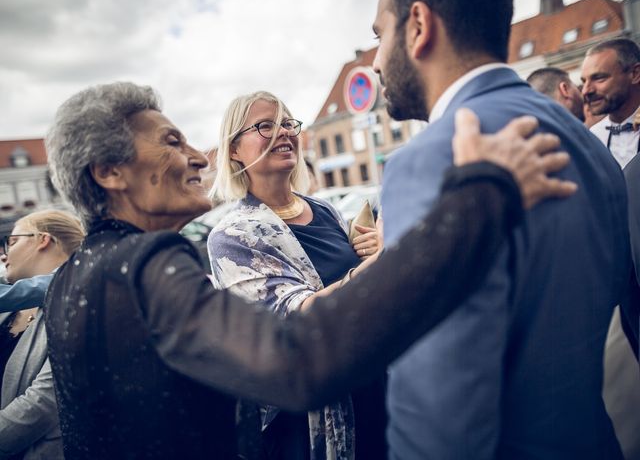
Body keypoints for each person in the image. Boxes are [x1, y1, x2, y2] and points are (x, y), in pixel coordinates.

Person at [43, 81, 574, 459]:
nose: (198, 157)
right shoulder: (148, 265)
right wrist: (480, 197)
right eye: (172, 142)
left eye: (288, 124)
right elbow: (295, 357)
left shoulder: (72, 278)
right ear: (110, 172)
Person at [371, 0, 629, 459]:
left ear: (419, 27)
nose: (375, 61)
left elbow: (437, 421)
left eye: (379, 35)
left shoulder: (430, 160)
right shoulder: (591, 145)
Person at [208, 91, 384, 460]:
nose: (283, 132)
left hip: (375, 392)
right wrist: (383, 264)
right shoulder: (232, 236)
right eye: (264, 126)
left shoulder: (323, 210)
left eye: (288, 123)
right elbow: (297, 319)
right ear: (234, 150)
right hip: (310, 423)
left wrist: (374, 246)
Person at [0, 210, 84, 459]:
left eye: (12, 242)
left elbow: (45, 402)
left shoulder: (79, 301)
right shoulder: (11, 307)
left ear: (42, 239)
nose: (4, 254)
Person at [581, 38, 640, 167]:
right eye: (583, 81)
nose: (586, 90)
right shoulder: (594, 136)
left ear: (635, 74)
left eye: (599, 78)